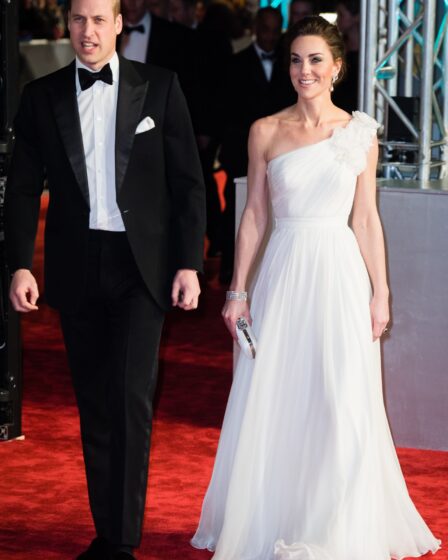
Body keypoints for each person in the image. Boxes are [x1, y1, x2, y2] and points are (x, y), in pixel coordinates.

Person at [191, 15, 440, 560]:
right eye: (296, 60)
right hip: (283, 273)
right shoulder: (265, 130)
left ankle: (337, 523)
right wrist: (236, 290)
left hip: (338, 275)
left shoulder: (359, 132)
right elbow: (254, 215)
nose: (305, 71)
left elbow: (367, 220)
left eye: (316, 60)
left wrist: (381, 294)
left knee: (340, 397)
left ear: (337, 67)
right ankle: (273, 515)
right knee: (276, 394)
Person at [5, 0, 206, 559]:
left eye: (99, 19)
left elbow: (189, 183)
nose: (87, 31)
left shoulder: (160, 87)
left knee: (130, 401)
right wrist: (21, 262)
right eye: (78, 19)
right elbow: (22, 187)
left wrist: (189, 263)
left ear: (119, 24)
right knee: (93, 403)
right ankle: (107, 530)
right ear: (65, 24)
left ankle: (120, 540)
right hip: (75, 265)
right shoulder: (40, 96)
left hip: (141, 266)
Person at [219, 6, 295, 283]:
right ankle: (231, 265)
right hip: (240, 151)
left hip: (282, 152)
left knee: (275, 208)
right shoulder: (235, 63)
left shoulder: (291, 66)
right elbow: (225, 108)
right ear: (255, 28)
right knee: (237, 210)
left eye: (276, 31)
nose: (270, 37)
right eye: (265, 30)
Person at [332, 0, 360, 112]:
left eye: (341, 14)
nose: (337, 19)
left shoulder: (370, 50)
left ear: (356, 17)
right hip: (337, 106)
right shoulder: (337, 45)